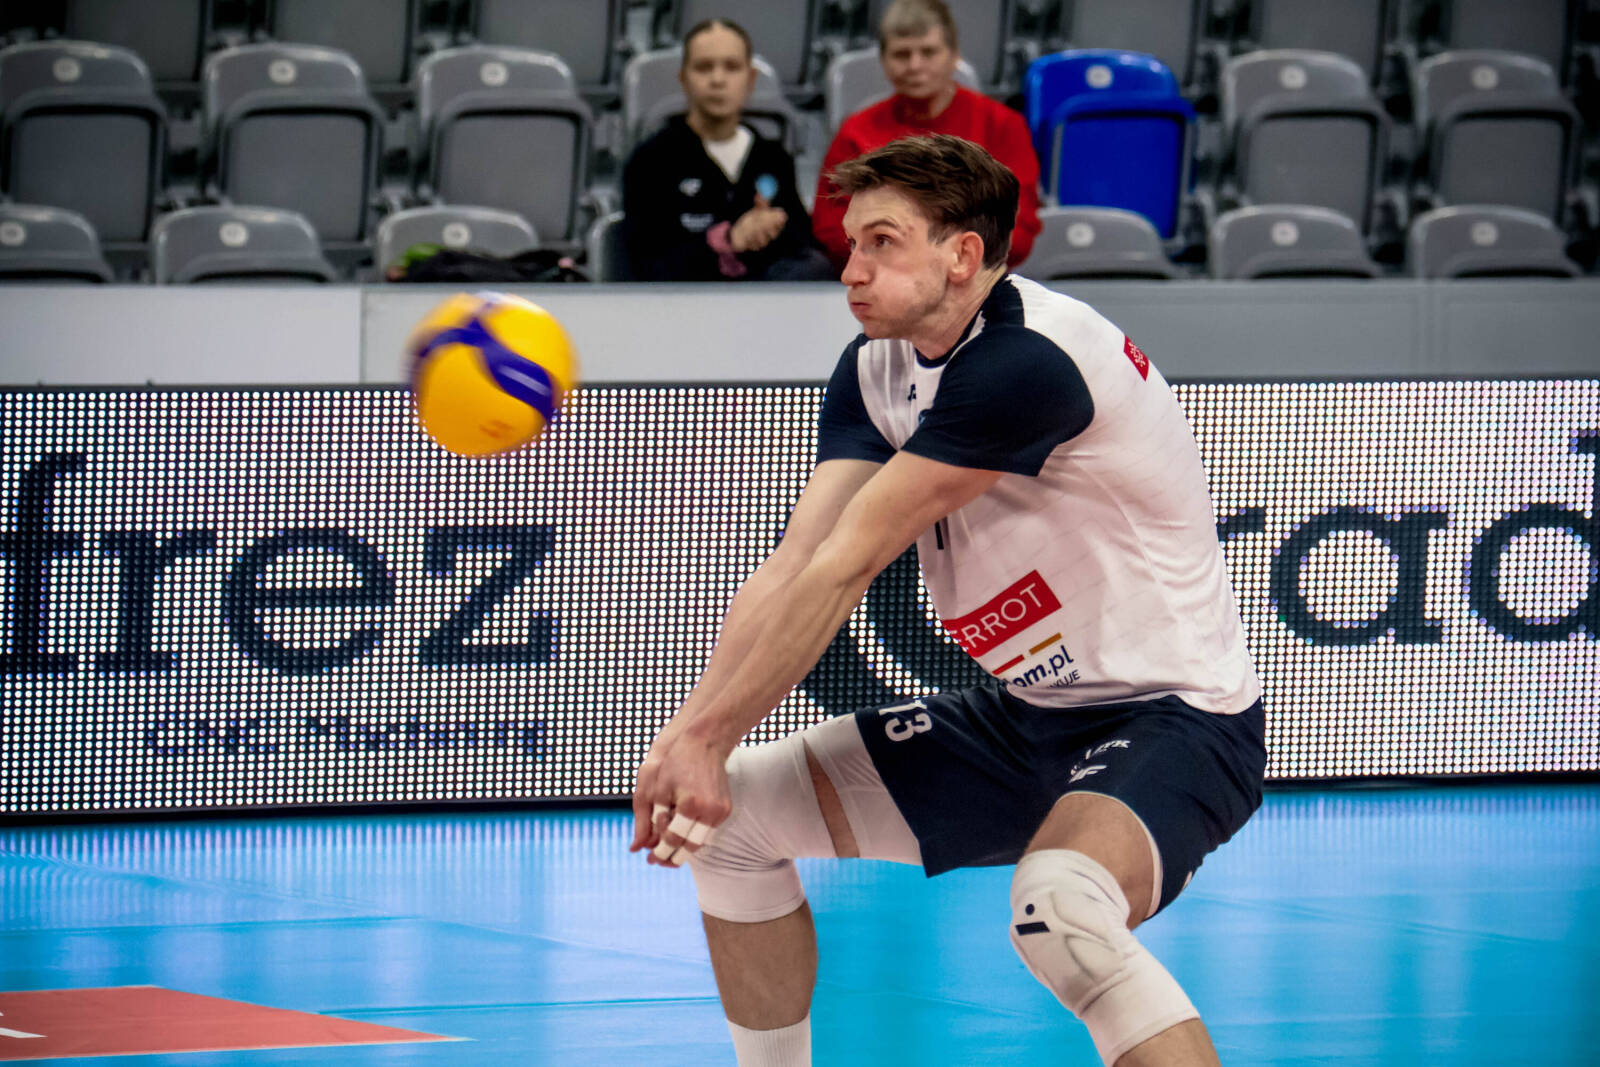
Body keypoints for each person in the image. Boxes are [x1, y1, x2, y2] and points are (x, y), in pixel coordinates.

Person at [631, 133, 1266, 1067]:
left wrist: (704, 735)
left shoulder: (1027, 361)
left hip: (1177, 717)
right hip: (1028, 716)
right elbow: (796, 563)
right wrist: (694, 734)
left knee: (1060, 911)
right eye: (852, 244)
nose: (851, 269)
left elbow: (847, 566)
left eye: (882, 243)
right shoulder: (875, 367)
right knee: (728, 824)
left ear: (962, 254)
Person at [810, 0, 1041, 271]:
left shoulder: (1002, 125)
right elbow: (831, 226)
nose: (915, 65)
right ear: (883, 61)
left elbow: (1018, 228)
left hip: (975, 277)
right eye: (901, 54)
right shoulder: (856, 131)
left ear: (954, 55)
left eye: (928, 52)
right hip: (881, 276)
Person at [622, 18, 833, 282]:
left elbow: (802, 243)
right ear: (684, 79)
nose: (718, 80)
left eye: (732, 67)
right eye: (704, 67)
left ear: (750, 79)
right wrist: (729, 240)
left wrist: (769, 227)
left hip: (766, 302)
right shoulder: (651, 161)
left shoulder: (772, 157)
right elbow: (648, 264)